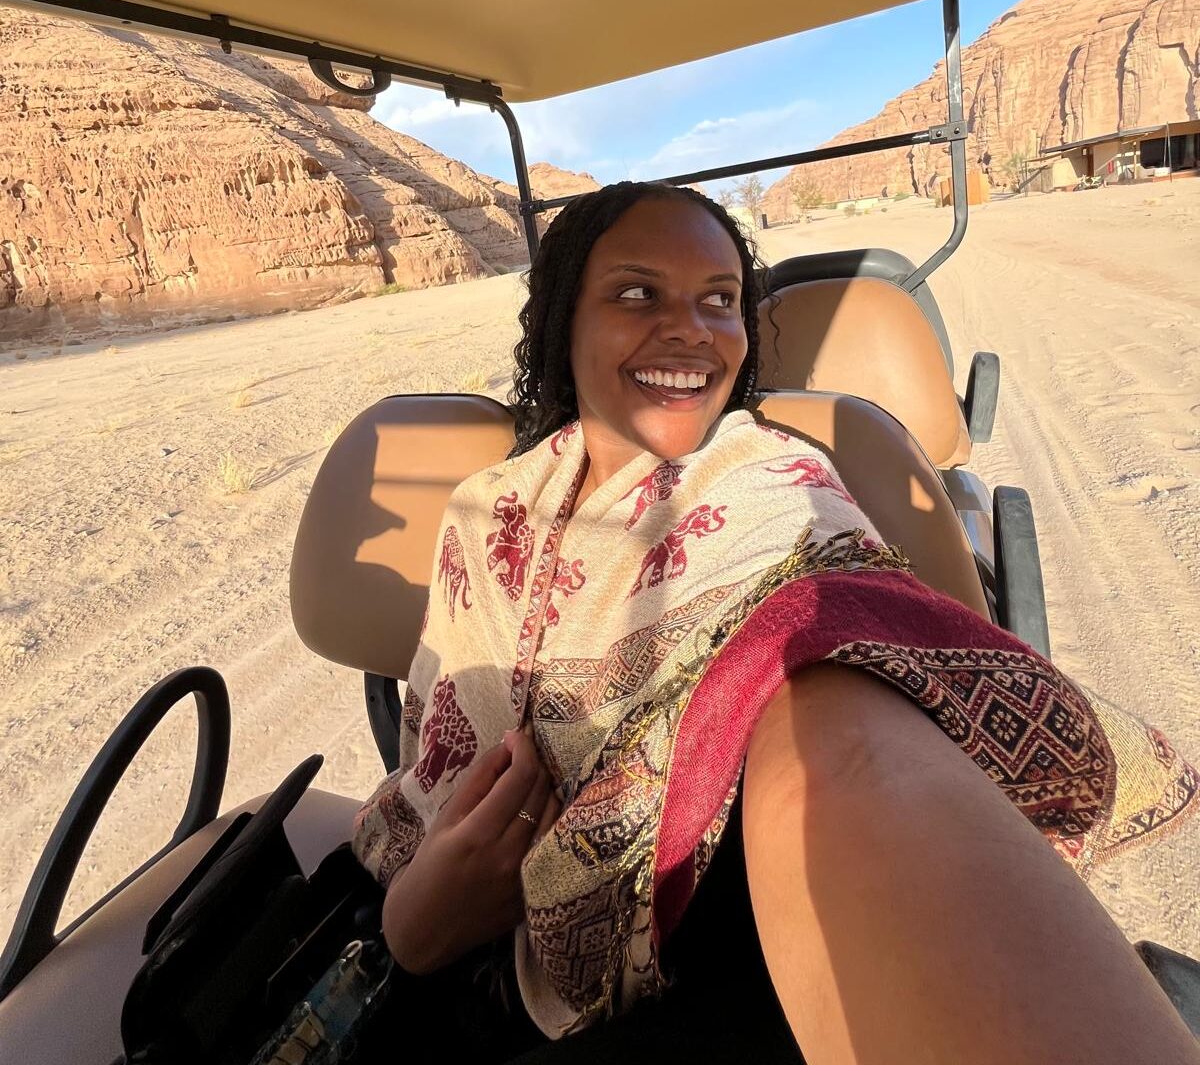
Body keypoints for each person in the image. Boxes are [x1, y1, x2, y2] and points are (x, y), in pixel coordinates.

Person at [351, 181, 1200, 1064]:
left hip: (713, 940)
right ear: (568, 317)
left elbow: (843, 684)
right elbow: (437, 765)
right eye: (638, 293)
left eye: (720, 300)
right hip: (461, 942)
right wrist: (422, 914)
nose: (691, 328)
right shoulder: (489, 509)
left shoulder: (781, 486)